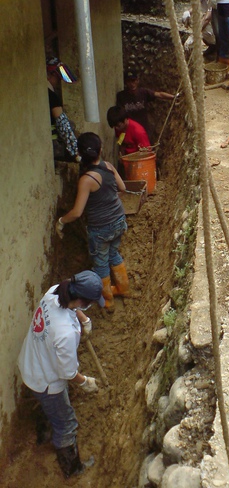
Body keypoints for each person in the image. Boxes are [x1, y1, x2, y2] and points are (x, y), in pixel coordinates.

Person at [17, 270, 104, 479]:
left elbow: (72, 307)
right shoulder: (66, 333)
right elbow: (67, 372)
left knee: (48, 406)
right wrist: (85, 382)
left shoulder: (54, 292)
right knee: (66, 423)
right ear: (83, 300)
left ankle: (44, 433)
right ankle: (72, 470)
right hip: (47, 381)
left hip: (31, 363)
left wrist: (83, 319)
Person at [55, 132, 129, 311]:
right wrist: (110, 201)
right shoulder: (109, 166)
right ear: (100, 150)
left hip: (101, 230)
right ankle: (122, 288)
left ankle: (108, 301)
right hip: (119, 221)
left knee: (101, 264)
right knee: (113, 253)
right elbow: (123, 188)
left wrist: (61, 221)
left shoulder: (87, 180)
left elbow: (77, 212)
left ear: (81, 154)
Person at [116, 71, 175, 145]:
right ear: (125, 82)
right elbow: (119, 115)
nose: (132, 84)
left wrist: (173, 97)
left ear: (137, 81)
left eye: (133, 80)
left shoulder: (143, 92)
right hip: (129, 131)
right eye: (129, 81)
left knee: (145, 150)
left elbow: (159, 94)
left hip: (143, 129)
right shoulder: (121, 96)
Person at [47, 57, 79, 162]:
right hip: (53, 144)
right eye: (56, 77)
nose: (58, 80)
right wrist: (75, 151)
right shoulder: (51, 96)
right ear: (50, 75)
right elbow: (63, 125)